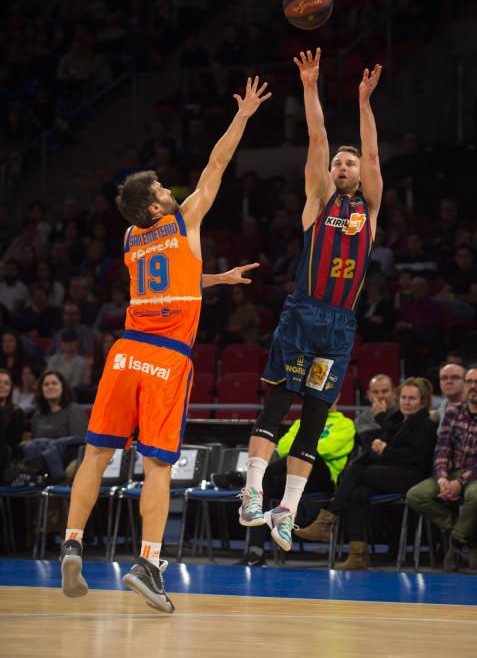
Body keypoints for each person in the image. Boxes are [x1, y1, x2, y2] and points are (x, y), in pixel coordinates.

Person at [59, 75, 271, 611]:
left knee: (95, 453)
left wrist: (215, 281)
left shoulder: (132, 239)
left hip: (124, 351)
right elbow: (216, 167)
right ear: (156, 209)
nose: (167, 191)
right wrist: (242, 115)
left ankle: (72, 543)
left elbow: (171, 283)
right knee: (156, 466)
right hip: (166, 359)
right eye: (159, 191)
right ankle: (150, 563)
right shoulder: (183, 218)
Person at [239, 48, 383, 553]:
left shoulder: (370, 207)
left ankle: (287, 510)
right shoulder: (318, 201)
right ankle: (252, 492)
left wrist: (365, 102)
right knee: (278, 404)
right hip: (304, 314)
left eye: (350, 162)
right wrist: (309, 85)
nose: (344, 165)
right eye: (338, 162)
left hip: (340, 325)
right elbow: (317, 138)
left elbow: (372, 154)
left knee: (316, 417)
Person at [299, 377, 436, 569]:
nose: (406, 402)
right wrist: (379, 448)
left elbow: (416, 457)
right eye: (404, 397)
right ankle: (358, 555)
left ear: (423, 401)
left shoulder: (425, 424)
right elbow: (382, 445)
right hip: (392, 473)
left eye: (412, 398)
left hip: (413, 476)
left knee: (356, 471)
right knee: (357, 493)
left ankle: (325, 521)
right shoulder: (398, 420)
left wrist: (384, 450)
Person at [239, 401, 355, 565]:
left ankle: (246, 475)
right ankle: (255, 553)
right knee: (265, 482)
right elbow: (283, 446)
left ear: (338, 396)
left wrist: (303, 448)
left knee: (309, 455)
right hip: (294, 476)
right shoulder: (302, 422)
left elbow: (327, 449)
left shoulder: (345, 424)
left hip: (323, 478)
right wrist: (303, 449)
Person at [406, 365, 477, 572]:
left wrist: (460, 482)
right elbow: (442, 449)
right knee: (416, 495)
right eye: (470, 382)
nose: (473, 387)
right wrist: (443, 479)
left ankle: (455, 542)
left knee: (475, 497)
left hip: (473, 476)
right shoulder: (453, 412)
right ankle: (466, 533)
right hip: (452, 472)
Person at [353, 373, 398, 449]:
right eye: (375, 392)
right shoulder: (361, 419)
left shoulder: (403, 414)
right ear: (369, 395)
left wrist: (380, 415)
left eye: (385, 391)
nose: (380, 396)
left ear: (394, 393)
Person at [0, 368, 27, 481]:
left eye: (6, 383)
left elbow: (12, 445)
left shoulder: (16, 412)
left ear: (11, 388)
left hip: (5, 461)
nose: (2, 386)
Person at [430, 362, 466, 432]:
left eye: (455, 377)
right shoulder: (444, 405)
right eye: (444, 378)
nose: (449, 381)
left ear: (465, 381)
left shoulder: (472, 407)